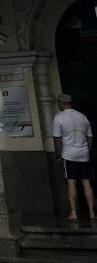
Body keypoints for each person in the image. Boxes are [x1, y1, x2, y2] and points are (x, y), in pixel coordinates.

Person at [53, 93, 95, 221]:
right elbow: (90, 138)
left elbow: (57, 139)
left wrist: (58, 155)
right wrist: (88, 151)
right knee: (86, 183)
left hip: (69, 155)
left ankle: (73, 213)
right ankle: (92, 213)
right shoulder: (83, 117)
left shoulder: (59, 118)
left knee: (71, 183)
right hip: (84, 154)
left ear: (60, 103)